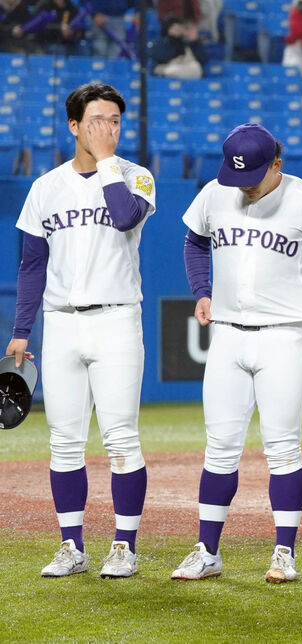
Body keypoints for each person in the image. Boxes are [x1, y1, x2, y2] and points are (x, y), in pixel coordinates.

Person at [171, 123, 302, 583]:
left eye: (254, 173)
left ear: (277, 164)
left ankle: (284, 552)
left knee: (282, 449)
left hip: (284, 335)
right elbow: (194, 240)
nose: (242, 182)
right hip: (226, 334)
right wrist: (201, 290)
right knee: (219, 448)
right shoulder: (214, 193)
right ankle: (207, 550)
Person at [7, 83, 154, 579]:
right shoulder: (45, 187)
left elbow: (123, 216)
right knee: (64, 442)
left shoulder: (137, 177)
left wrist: (108, 160)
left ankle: (124, 546)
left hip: (115, 319)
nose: (107, 128)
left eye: (115, 120)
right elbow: (32, 266)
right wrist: (21, 332)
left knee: (120, 440)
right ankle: (72, 545)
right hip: (62, 323)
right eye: (96, 120)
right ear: (74, 126)